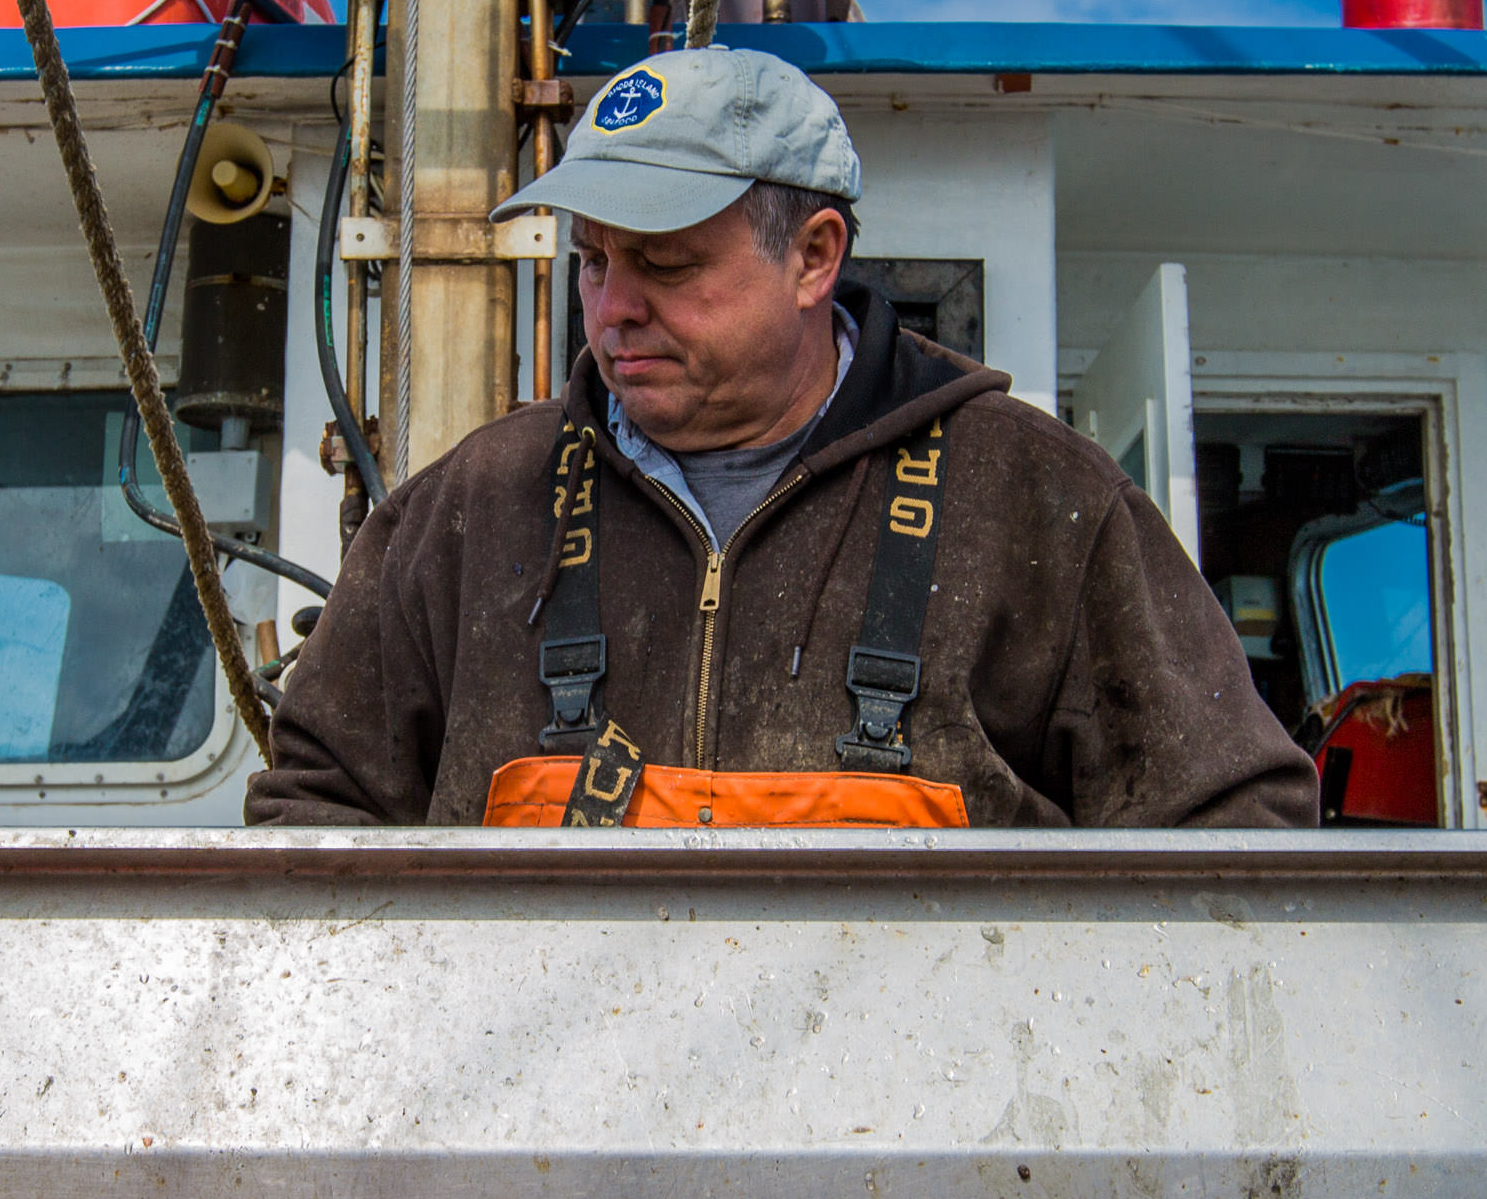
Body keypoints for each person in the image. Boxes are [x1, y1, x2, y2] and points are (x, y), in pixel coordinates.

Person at [247, 45, 1318, 830]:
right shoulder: (473, 505)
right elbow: (317, 819)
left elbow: (1232, 836)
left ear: (813, 257)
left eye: (664, 264)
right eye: (591, 260)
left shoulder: (1042, 499)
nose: (613, 306)